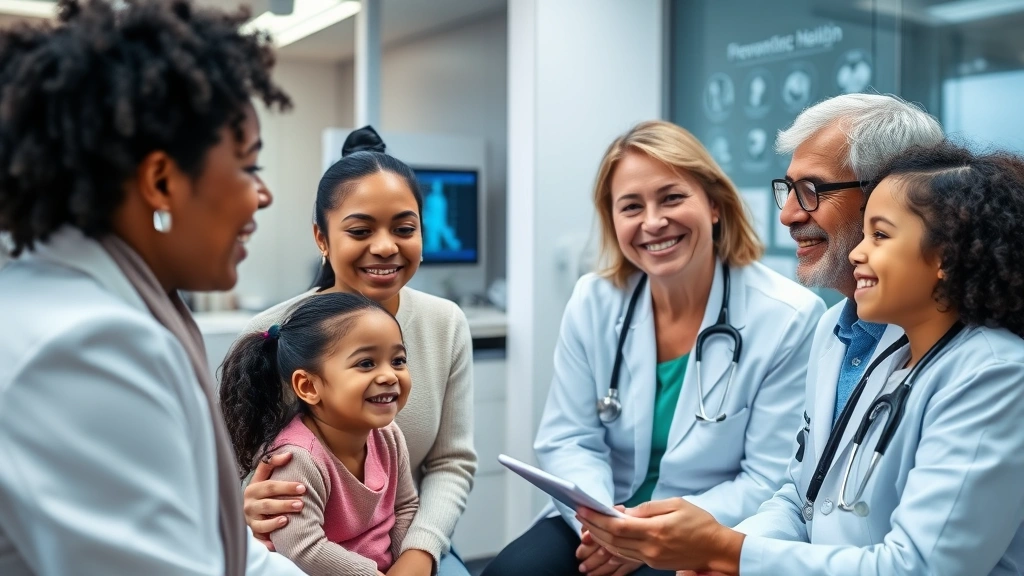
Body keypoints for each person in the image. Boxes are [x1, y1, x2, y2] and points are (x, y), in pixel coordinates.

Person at [578, 142, 1024, 576]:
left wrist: (731, 551)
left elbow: (919, 567)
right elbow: (803, 496)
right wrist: (723, 557)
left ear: (945, 256)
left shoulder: (996, 374)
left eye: (880, 235)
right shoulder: (887, 357)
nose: (856, 253)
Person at [0, 0, 304, 574]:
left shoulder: (90, 306)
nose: (262, 196)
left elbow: (224, 555)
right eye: (248, 167)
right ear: (162, 181)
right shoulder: (82, 348)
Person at [482, 120, 825, 576]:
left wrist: (650, 533)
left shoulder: (788, 317)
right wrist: (607, 524)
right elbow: (569, 438)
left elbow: (767, 478)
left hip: (706, 525)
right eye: (630, 206)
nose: (652, 222)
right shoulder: (594, 300)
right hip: (600, 516)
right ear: (613, 221)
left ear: (715, 206)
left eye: (672, 197)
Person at [239, 126, 476, 576]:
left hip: (410, 542)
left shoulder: (445, 323)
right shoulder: (271, 333)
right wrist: (247, 503)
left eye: (404, 228)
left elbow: (451, 462)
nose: (385, 246)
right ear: (322, 239)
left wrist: (419, 554)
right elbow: (235, 474)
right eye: (360, 230)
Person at [221, 293, 419, 576]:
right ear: (308, 386)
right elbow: (303, 548)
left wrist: (405, 566)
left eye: (398, 360)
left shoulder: (388, 436)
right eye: (366, 363)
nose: (389, 375)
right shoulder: (297, 459)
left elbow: (406, 506)